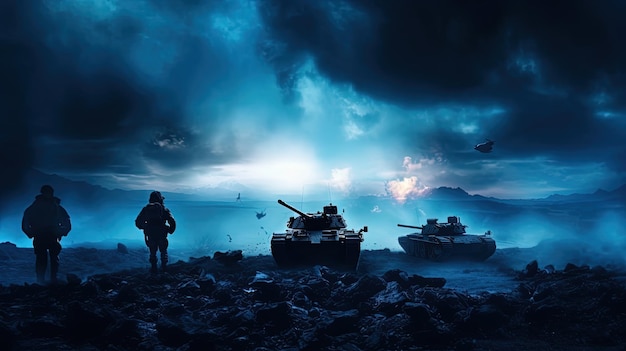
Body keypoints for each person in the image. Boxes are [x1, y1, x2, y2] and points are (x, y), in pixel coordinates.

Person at [21, 185, 71, 284]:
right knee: (42, 258)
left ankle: (51, 279)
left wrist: (62, 232)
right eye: (46, 192)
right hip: (41, 235)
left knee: (52, 258)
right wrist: (30, 233)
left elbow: (66, 222)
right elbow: (25, 222)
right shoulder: (36, 207)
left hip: (51, 235)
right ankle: (41, 280)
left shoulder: (55, 207)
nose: (47, 194)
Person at [135, 191, 176, 273]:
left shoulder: (146, 209)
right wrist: (170, 230)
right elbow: (172, 221)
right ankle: (164, 269)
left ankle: (154, 269)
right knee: (163, 251)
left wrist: (145, 227)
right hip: (162, 234)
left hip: (151, 234)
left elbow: (138, 222)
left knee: (152, 252)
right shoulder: (164, 209)